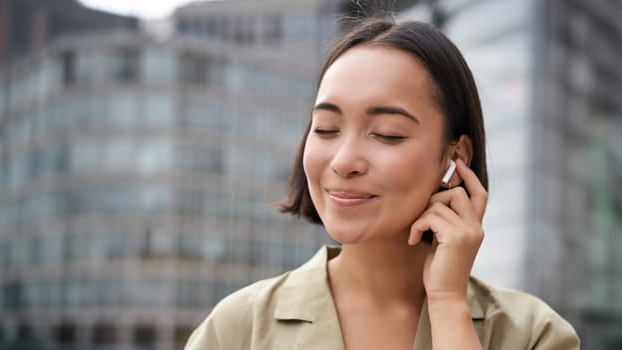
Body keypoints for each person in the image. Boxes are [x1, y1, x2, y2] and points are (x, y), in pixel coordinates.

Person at [185, 18, 580, 350]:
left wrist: (447, 305)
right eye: (326, 129)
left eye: (387, 134)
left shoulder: (532, 334)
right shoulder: (238, 329)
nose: (344, 161)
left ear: (455, 156)